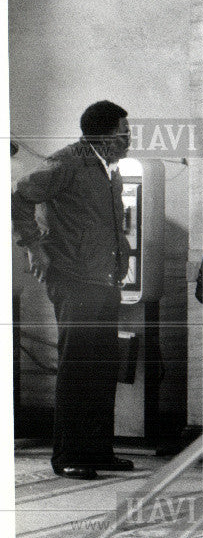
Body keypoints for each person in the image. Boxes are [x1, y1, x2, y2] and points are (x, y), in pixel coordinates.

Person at [11, 100, 133, 480]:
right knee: (78, 366)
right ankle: (68, 455)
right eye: (123, 133)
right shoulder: (66, 163)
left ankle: (97, 450)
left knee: (101, 366)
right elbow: (17, 197)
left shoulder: (107, 168)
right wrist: (33, 246)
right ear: (103, 136)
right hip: (73, 277)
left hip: (104, 279)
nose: (129, 139)